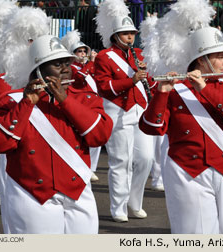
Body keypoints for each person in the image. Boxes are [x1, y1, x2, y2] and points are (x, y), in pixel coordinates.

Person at [0, 35, 113, 233]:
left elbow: (99, 136)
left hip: (78, 190)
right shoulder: (12, 100)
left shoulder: (84, 96)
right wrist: (27, 103)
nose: (65, 68)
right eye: (55, 64)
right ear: (38, 71)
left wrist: (65, 100)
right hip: (32, 192)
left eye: (66, 63)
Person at [139, 24, 223, 233]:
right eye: (220, 56)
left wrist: (204, 88)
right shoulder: (176, 90)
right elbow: (151, 127)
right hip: (187, 171)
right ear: (201, 59)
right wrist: (162, 93)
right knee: (194, 233)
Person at [95, 0, 156, 223]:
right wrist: (130, 80)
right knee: (121, 160)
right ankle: (118, 206)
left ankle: (134, 201)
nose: (130, 37)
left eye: (131, 33)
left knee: (145, 159)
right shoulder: (104, 57)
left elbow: (149, 82)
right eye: (125, 33)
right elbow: (104, 87)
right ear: (115, 36)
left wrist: (157, 80)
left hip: (140, 110)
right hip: (117, 111)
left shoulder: (138, 54)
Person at [61, 30, 101, 182]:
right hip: (80, 103)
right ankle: (81, 166)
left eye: (85, 50)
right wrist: (90, 62)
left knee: (96, 135)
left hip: (94, 102)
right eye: (80, 51)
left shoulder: (91, 66)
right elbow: (80, 78)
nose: (83, 53)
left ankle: (92, 168)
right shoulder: (72, 68)